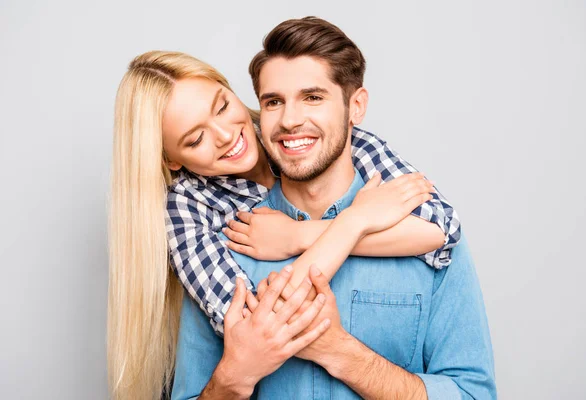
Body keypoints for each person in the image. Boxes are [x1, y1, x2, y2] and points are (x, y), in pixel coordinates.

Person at [109, 25, 459, 400]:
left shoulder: (309, 135)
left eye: (223, 106)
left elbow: (441, 228)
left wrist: (300, 235)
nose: (226, 135)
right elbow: (262, 330)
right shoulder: (187, 208)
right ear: (171, 160)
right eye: (195, 139)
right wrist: (354, 222)